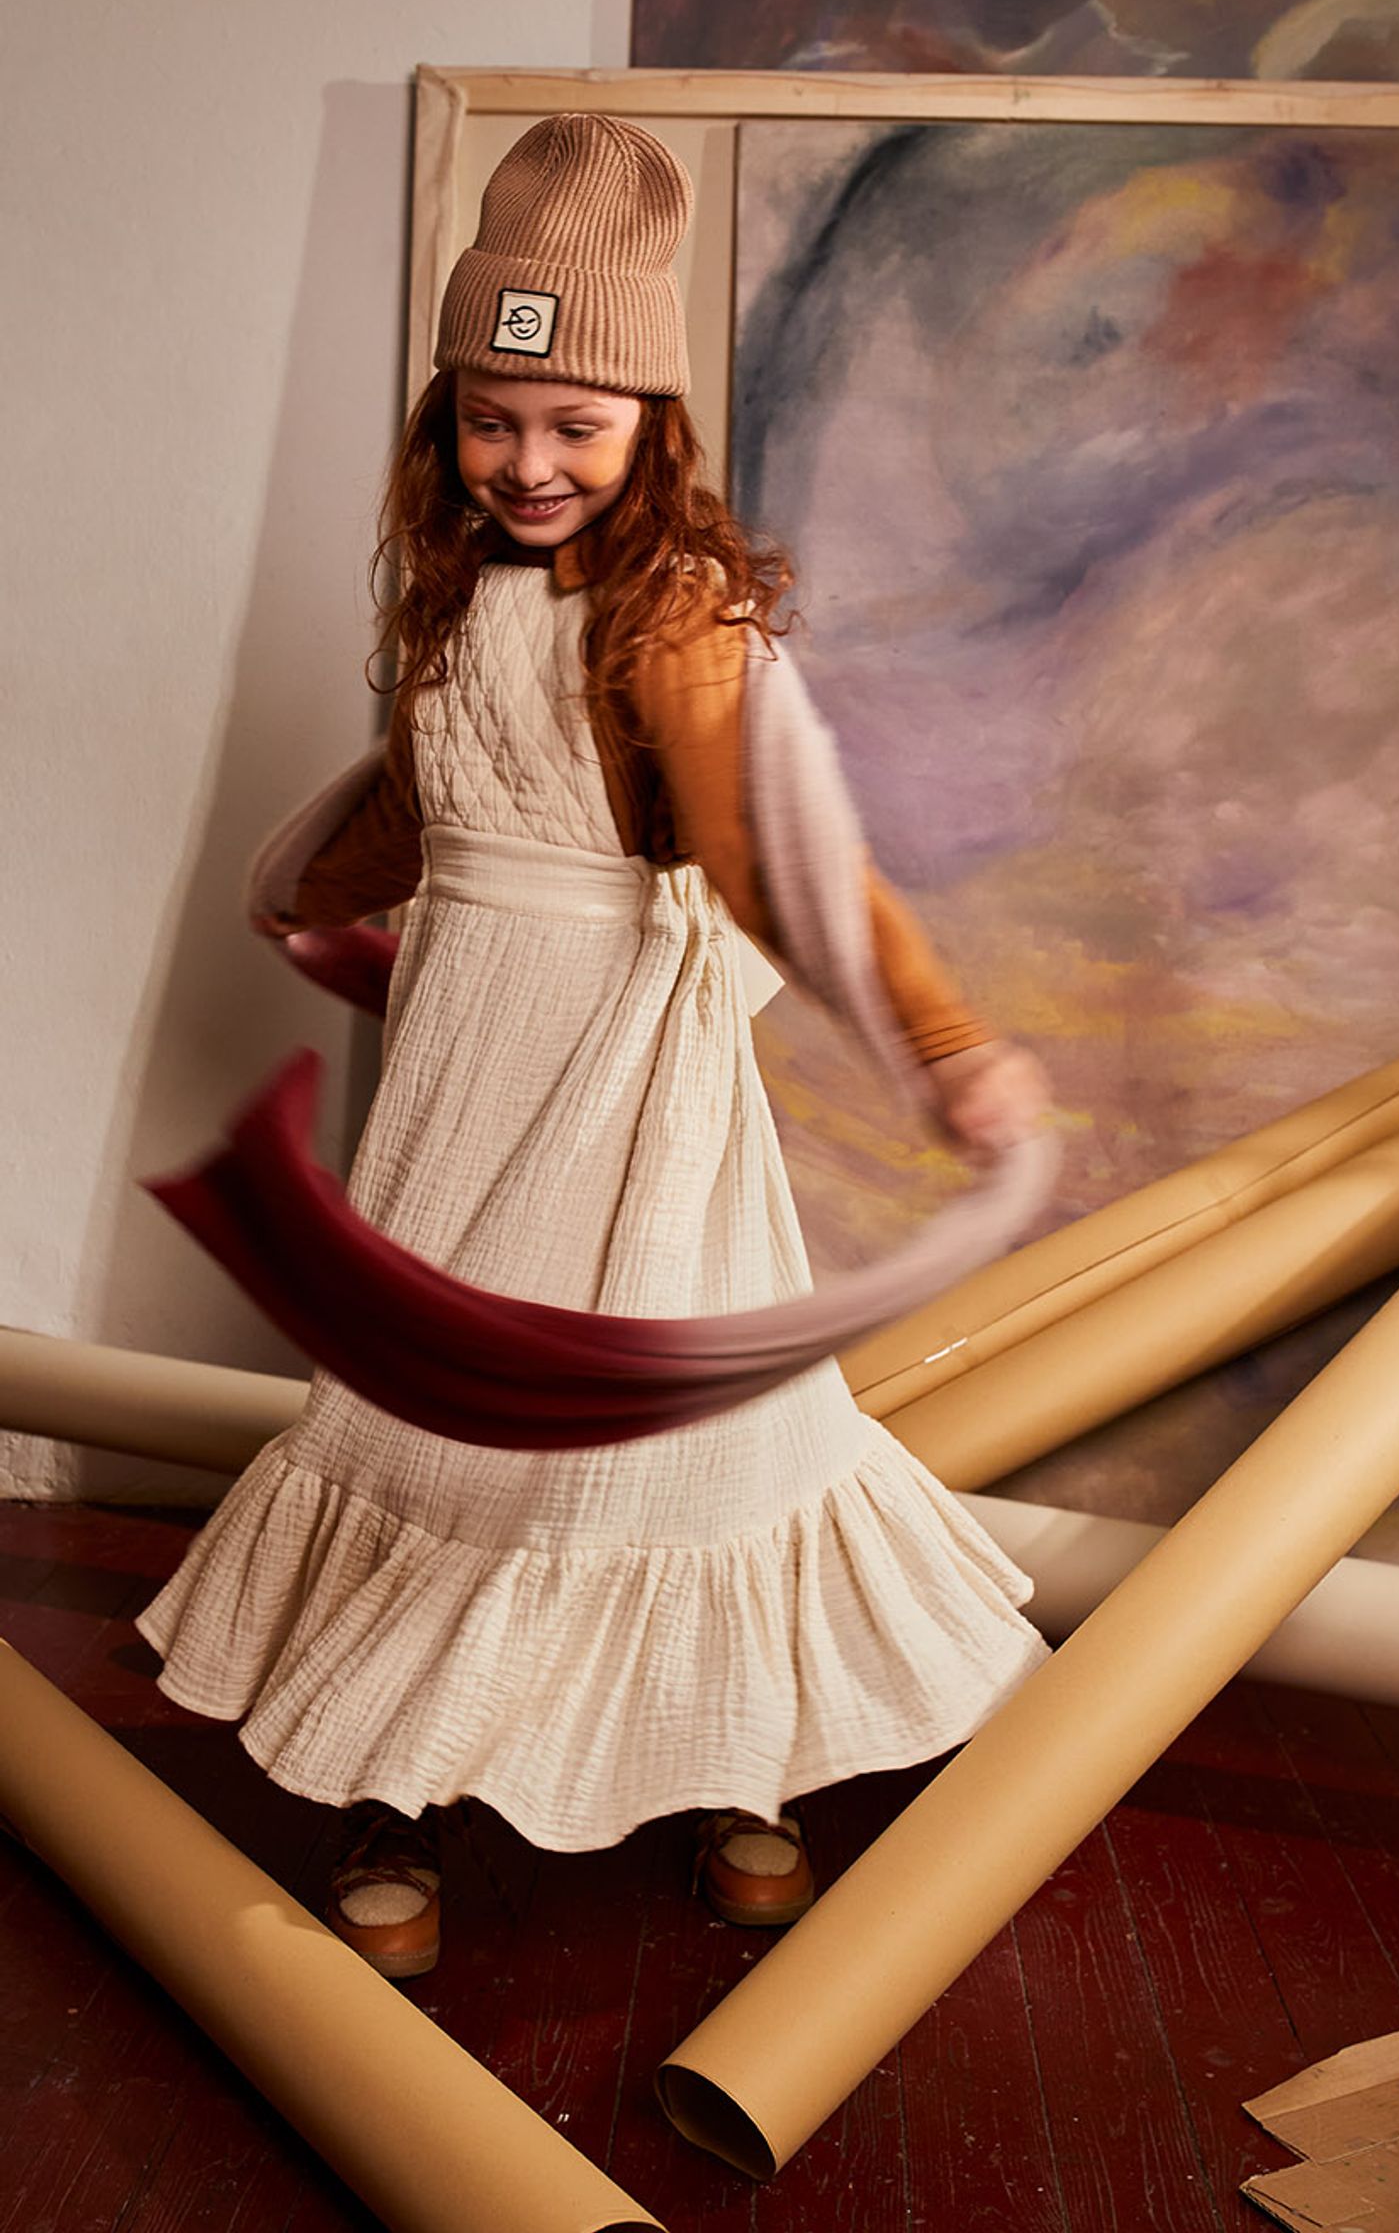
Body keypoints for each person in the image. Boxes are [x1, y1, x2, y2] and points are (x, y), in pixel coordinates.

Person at [138, 114, 1053, 1978]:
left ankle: (736, 1765)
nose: (529, 461)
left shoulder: (679, 618)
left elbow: (773, 855)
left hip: (626, 1082)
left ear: (651, 425)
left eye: (574, 423)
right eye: (492, 416)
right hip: (470, 1052)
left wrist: (946, 1045)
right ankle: (395, 1777)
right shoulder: (453, 594)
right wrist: (312, 881)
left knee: (654, 1421)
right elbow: (429, 798)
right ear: (446, 420)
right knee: (433, 1399)